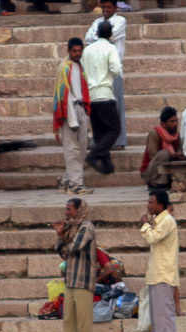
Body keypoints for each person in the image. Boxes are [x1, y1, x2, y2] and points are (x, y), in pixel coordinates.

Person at [140, 189, 183, 332]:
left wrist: (144, 224)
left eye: (151, 202)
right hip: (157, 275)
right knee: (157, 318)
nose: (148, 205)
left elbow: (152, 238)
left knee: (164, 317)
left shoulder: (166, 220)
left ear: (160, 205)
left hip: (163, 275)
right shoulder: (160, 220)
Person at [53, 198, 97, 332]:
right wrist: (60, 235)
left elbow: (73, 248)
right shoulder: (71, 228)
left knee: (83, 319)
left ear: (79, 210)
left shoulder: (86, 227)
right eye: (66, 209)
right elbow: (62, 252)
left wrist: (63, 236)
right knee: (68, 319)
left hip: (83, 280)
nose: (66, 212)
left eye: (69, 209)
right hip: (70, 279)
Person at [81, 20, 122, 175]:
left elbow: (83, 71)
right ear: (111, 34)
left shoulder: (88, 50)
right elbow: (116, 69)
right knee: (114, 129)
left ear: (97, 33)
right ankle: (93, 156)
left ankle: (107, 165)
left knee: (100, 133)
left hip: (91, 96)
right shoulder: (110, 48)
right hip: (104, 94)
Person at [84, 0, 126, 150]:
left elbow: (111, 35)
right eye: (104, 7)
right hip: (98, 72)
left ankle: (119, 141)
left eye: (109, 7)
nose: (106, 10)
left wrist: (99, 36)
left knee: (117, 107)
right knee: (97, 109)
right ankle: (98, 140)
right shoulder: (97, 22)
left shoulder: (120, 21)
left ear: (115, 8)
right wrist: (102, 36)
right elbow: (87, 38)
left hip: (114, 71)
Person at [53, 37, 92, 195]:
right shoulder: (65, 68)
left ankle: (66, 181)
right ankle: (76, 185)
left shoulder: (79, 65)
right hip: (69, 111)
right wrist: (72, 119)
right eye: (74, 51)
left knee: (81, 149)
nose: (77, 54)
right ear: (69, 51)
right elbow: (65, 96)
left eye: (80, 51)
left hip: (80, 108)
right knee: (72, 149)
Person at [140, 106, 183, 190]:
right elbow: (153, 156)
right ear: (163, 123)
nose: (175, 124)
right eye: (172, 121)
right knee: (164, 153)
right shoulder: (154, 134)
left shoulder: (177, 136)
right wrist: (173, 155)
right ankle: (157, 182)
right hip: (151, 172)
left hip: (168, 170)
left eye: (176, 121)